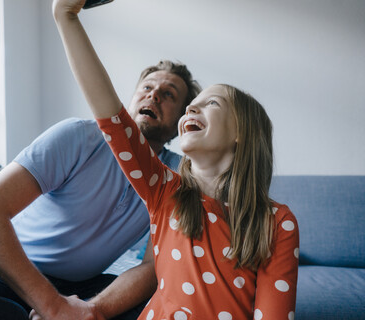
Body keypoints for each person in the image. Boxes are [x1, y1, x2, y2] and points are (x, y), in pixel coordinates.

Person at [0, 47, 201, 320]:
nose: (154, 95)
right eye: (146, 88)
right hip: (5, 270)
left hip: (83, 290)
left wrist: (91, 310)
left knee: (170, 302)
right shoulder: (80, 136)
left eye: (169, 93)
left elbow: (152, 266)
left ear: (179, 121)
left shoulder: (179, 177)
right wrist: (52, 306)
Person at [49, 0, 300, 319]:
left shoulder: (278, 222)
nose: (191, 109)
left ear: (242, 133)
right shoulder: (164, 191)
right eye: (191, 105)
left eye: (211, 104)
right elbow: (111, 116)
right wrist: (66, 18)